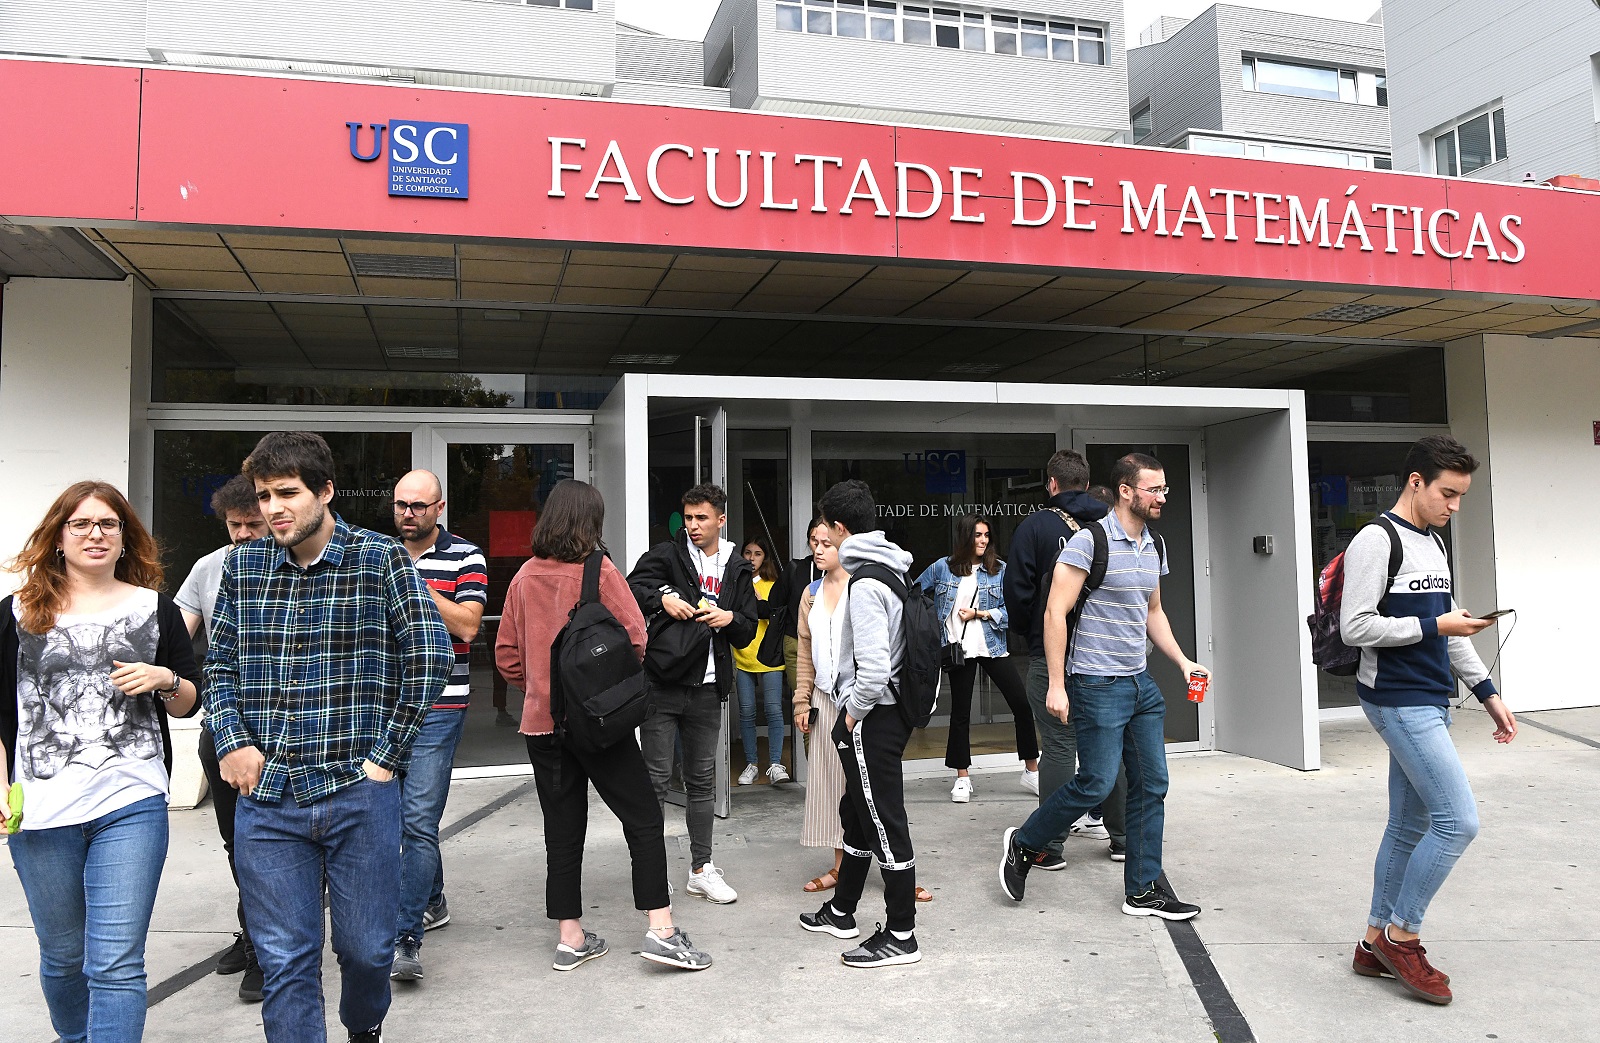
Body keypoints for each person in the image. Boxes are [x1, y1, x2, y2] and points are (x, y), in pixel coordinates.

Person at [205, 432, 454, 1043]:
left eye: (287, 493)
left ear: (325, 492)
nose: (273, 508)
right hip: (269, 799)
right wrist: (231, 739)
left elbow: (431, 657)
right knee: (285, 959)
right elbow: (220, 666)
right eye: (264, 496)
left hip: (358, 793)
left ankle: (363, 1028)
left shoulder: (380, 559)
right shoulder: (242, 566)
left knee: (367, 951)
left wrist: (386, 758)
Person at [1, 481, 201, 1043]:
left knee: (115, 962)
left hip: (131, 800)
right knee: (64, 957)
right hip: (41, 808)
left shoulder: (155, 609)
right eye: (81, 524)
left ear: (124, 536)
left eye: (108, 524)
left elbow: (189, 701)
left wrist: (165, 679)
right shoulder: (17, 613)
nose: (96, 534)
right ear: (58, 537)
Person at [495, 479, 712, 972]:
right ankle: (661, 930)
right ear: (591, 521)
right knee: (642, 817)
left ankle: (570, 937)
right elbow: (636, 639)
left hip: (543, 727)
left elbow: (506, 656)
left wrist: (541, 687)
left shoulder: (524, 577)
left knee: (562, 830)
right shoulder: (600, 570)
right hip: (600, 722)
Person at [1340, 435, 1515, 1006]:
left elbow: (1450, 629)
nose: (1455, 506)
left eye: (1461, 496)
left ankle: (1372, 945)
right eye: (1448, 494)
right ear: (1416, 482)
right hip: (1396, 699)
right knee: (1458, 822)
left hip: (1430, 696)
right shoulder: (1377, 540)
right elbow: (1356, 626)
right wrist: (1437, 627)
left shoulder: (1433, 543)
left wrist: (1487, 691)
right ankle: (1403, 936)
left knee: (1408, 826)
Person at [999, 452, 1209, 922]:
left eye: (1165, 488)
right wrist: (1057, 684)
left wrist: (1182, 661)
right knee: (1094, 781)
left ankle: (1143, 891)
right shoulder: (1088, 543)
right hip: (1095, 681)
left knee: (1152, 784)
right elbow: (1054, 612)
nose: (1162, 497)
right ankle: (1025, 843)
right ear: (1125, 492)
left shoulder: (1154, 545)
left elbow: (1153, 611)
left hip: (1140, 683)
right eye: (1153, 489)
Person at [797, 479, 922, 968]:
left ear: (840, 527)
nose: (823, 537)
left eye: (826, 528)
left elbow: (872, 671)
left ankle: (901, 934)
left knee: (885, 821)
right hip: (886, 713)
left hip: (874, 717)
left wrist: (849, 716)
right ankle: (841, 910)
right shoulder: (889, 568)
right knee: (855, 811)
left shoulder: (866, 583)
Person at [628, 483, 758, 905]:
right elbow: (632, 588)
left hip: (708, 688)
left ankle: (701, 869)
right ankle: (651, 871)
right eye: (688, 518)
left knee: (702, 781)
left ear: (721, 519)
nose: (694, 525)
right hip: (662, 683)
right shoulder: (668, 555)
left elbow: (748, 627)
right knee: (655, 779)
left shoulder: (737, 566)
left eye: (702, 518)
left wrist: (728, 617)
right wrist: (663, 598)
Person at [1001, 450, 1126, 867]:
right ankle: (1124, 838)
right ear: (1087, 485)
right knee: (1109, 747)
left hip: (1050, 653)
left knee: (1057, 746)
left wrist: (1031, 634)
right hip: (1105, 656)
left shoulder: (1034, 527)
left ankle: (1049, 846)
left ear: (1051, 484)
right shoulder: (1111, 524)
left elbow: (1017, 590)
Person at [389, 469, 487, 983]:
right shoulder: (378, 553)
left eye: (419, 506)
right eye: (401, 504)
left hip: (440, 707)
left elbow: (468, 625)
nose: (408, 514)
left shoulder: (466, 556)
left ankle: (405, 939)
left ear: (439, 508)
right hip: (382, 709)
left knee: (418, 821)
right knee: (395, 820)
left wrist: (414, 586)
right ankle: (432, 899)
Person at [175, 475, 269, 1003]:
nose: (243, 534)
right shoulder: (208, 568)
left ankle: (264, 949)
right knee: (237, 840)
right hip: (224, 725)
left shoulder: (294, 564)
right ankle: (251, 930)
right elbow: (177, 635)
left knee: (269, 843)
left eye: (253, 524)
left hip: (280, 730)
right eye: (235, 525)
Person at [915, 514, 1039, 802]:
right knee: (960, 713)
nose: (983, 541)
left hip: (992, 647)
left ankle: (1031, 771)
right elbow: (915, 596)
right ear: (965, 537)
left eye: (986, 535)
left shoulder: (999, 570)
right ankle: (962, 777)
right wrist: (934, 628)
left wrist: (980, 614)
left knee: (1021, 705)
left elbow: (1013, 611)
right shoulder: (942, 568)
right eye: (977, 535)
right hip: (959, 650)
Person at [792, 519, 846, 893]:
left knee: (876, 790)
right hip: (824, 700)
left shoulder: (863, 587)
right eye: (814, 542)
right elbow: (804, 652)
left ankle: (898, 872)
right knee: (831, 787)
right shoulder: (810, 593)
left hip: (863, 702)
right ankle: (841, 868)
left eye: (827, 542)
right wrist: (802, 701)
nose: (818, 549)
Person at [734, 533, 790, 786]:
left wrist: (762, 603)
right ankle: (752, 765)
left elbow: (778, 615)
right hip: (742, 654)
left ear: (765, 558)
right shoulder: (736, 584)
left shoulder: (774, 584)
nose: (752, 558)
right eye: (748, 553)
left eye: (757, 554)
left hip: (770, 656)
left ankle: (775, 764)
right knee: (746, 712)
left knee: (773, 710)